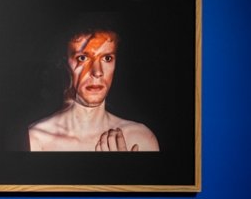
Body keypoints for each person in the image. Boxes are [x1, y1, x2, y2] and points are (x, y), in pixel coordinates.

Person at [28, 29, 159, 152]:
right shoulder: (36, 140)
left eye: (107, 58)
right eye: (82, 58)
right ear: (62, 64)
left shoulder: (140, 138)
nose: (97, 72)